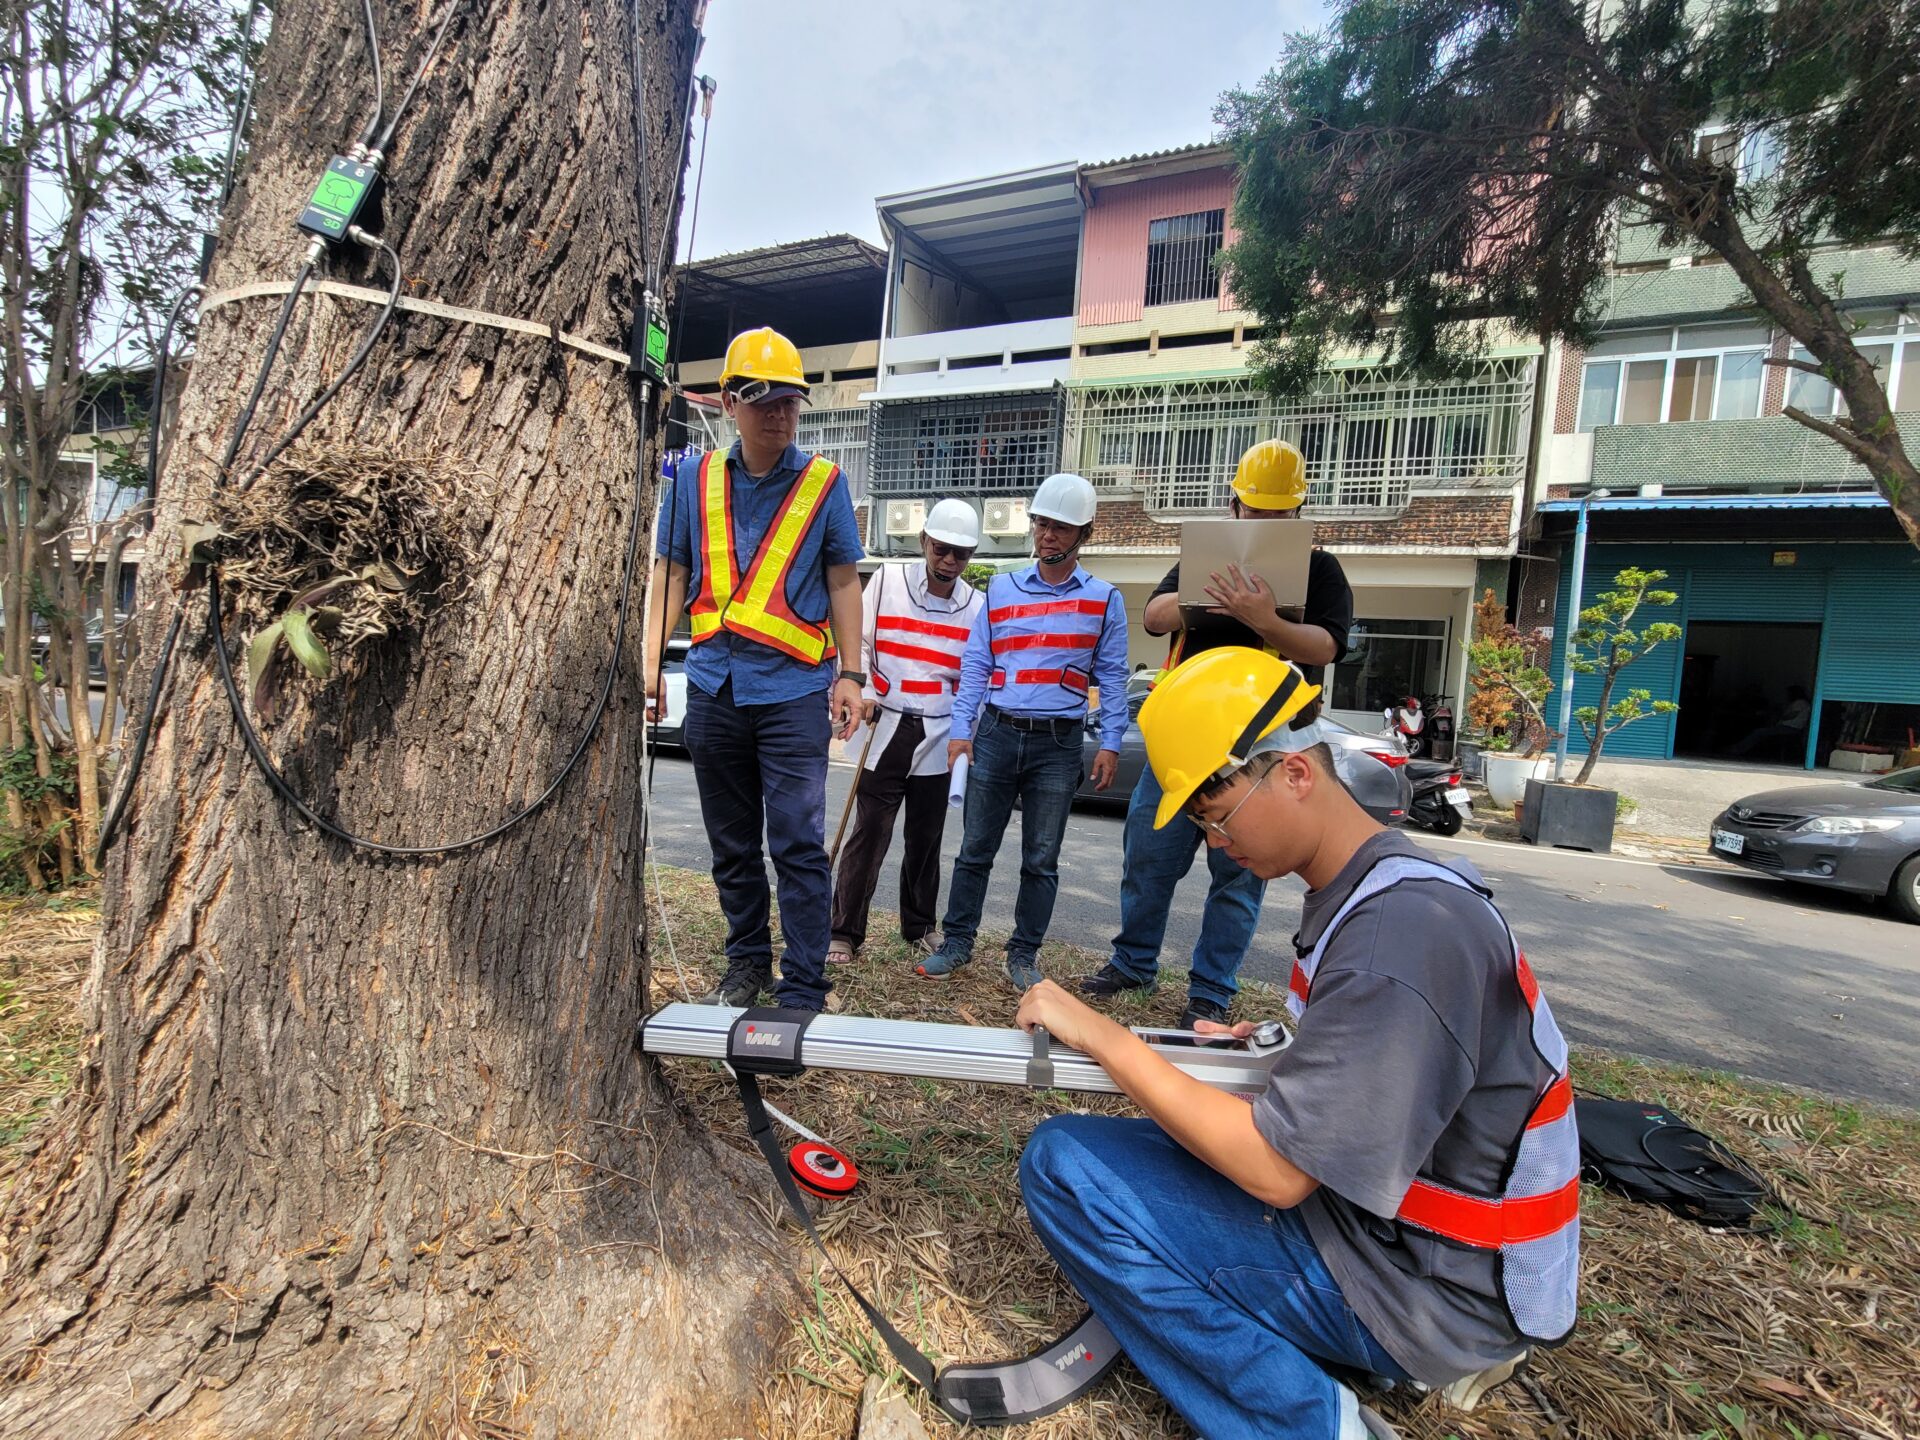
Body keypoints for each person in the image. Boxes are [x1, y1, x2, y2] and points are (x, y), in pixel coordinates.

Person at [1016, 647, 1580, 1440]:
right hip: (1409, 1247)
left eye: (1216, 813)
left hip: (1425, 1290)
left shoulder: (1397, 937)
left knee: (1065, 1168)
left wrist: (1107, 1037)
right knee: (1137, 1146)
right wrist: (1285, 1053)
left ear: (1293, 773)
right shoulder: (1381, 887)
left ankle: (1314, 1423)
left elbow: (1278, 1175)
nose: (1215, 841)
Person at [1080, 438, 1354, 1029]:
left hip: (1263, 745)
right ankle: (1133, 962)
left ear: (1297, 513)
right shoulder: (1205, 559)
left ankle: (1211, 989)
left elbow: (1327, 647)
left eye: (1278, 513)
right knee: (1149, 855)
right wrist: (1207, 594)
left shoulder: (1320, 568)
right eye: (1255, 510)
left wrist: (1265, 619)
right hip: (1184, 739)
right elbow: (1153, 617)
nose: (1265, 522)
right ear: (1234, 507)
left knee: (1240, 873)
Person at [644, 327, 866, 1013]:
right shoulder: (693, 481)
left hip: (795, 692)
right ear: (731, 402)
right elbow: (671, 571)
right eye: (764, 399)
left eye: (791, 401)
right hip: (713, 688)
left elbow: (842, 583)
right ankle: (746, 965)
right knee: (732, 845)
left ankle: (803, 982)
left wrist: (852, 675)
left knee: (797, 842)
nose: (779, 413)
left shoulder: (824, 482)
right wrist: (649, 664)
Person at [918, 472, 1130, 990]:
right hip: (995, 733)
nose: (1047, 536)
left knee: (1041, 859)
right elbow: (975, 666)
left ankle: (1023, 954)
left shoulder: (1105, 600)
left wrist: (1111, 743)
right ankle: (958, 942)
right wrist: (962, 731)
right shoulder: (1003, 587)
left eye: (1060, 528)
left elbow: (1113, 676)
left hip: (1058, 744)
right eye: (1041, 524)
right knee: (975, 848)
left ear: (1085, 534)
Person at [827, 500, 985, 961]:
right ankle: (843, 930)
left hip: (940, 730)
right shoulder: (888, 580)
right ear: (924, 542)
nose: (949, 561)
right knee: (870, 830)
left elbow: (974, 676)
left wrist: (966, 732)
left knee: (926, 835)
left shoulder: (977, 606)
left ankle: (918, 925)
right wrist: (863, 688)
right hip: (888, 722)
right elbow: (858, 640)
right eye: (941, 549)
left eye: (961, 553)